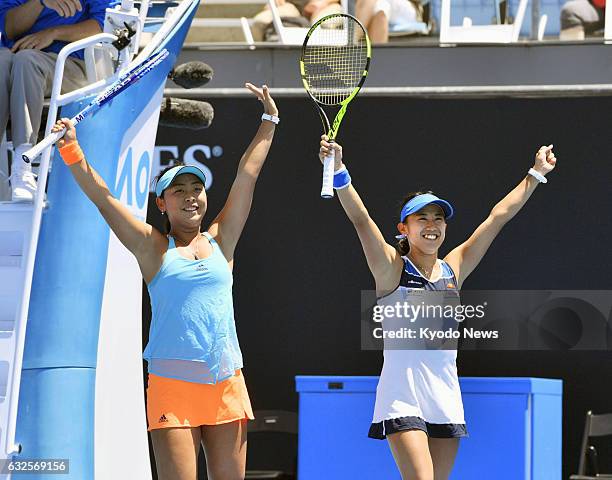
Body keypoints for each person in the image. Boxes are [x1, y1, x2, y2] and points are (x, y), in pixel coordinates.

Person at [51, 83, 279, 480]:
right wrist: (71, 149)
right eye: (179, 191)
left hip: (227, 382)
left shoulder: (222, 239)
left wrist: (269, 120)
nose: (191, 197)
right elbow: (104, 198)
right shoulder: (152, 247)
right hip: (172, 387)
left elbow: (248, 174)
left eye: (196, 188)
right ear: (162, 203)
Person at [318, 135, 557, 479]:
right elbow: (361, 219)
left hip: (445, 395)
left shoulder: (453, 268)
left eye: (438, 218)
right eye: (422, 219)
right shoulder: (391, 268)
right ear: (404, 229)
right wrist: (339, 170)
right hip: (402, 397)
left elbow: (496, 218)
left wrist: (535, 174)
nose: (432, 225)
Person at [0, 0, 116, 201]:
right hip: (16, 61)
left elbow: (103, 24)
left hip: (72, 64)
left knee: (27, 61)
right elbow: (9, 27)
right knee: (2, 62)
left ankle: (23, 167)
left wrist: (52, 33)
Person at [355, 0, 426, 43]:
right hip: (378, 4)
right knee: (381, 8)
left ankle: (353, 40)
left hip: (409, 8)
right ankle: (378, 64)